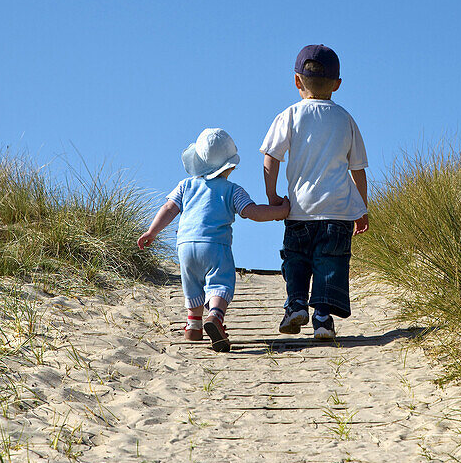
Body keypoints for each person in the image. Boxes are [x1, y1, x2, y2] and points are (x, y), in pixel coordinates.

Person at [138, 127, 289, 352]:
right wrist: (282, 211)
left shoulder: (185, 185)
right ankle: (216, 317)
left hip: (185, 245)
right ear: (230, 166)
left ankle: (193, 325)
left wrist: (152, 232)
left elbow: (169, 208)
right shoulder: (232, 190)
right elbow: (253, 212)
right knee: (220, 283)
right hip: (215, 245)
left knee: (192, 284)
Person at [260, 44, 369, 341]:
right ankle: (322, 317)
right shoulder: (345, 119)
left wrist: (272, 196)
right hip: (338, 210)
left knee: (296, 258)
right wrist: (362, 208)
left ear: (297, 81)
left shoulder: (289, 115)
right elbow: (357, 168)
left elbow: (271, 157)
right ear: (337, 84)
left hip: (299, 208)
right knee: (329, 263)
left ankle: (295, 303)